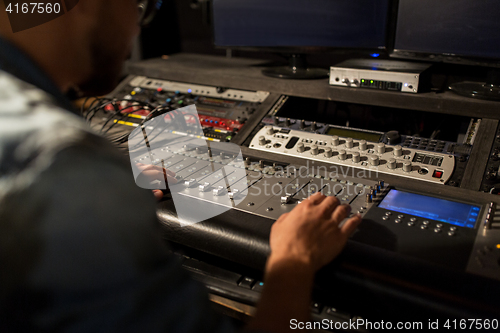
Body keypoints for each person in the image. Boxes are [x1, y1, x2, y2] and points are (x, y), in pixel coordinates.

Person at [0, 1, 362, 332]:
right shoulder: (66, 168)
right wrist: (294, 260)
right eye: (139, 6)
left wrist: (103, 188)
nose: (138, 28)